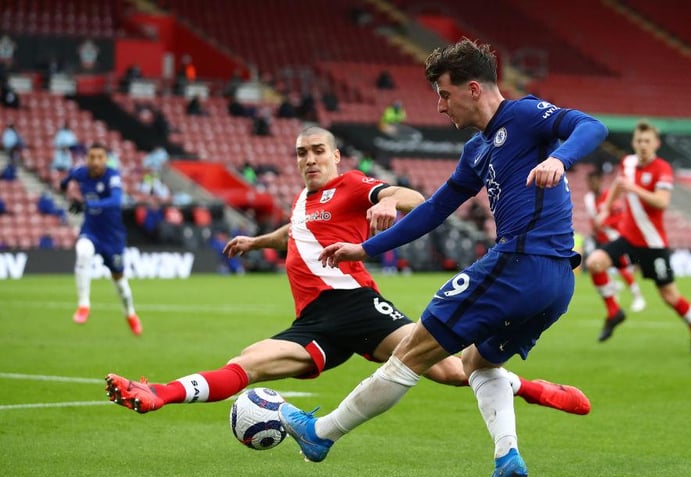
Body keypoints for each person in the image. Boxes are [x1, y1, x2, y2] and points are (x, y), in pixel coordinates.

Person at [278, 39, 608, 477]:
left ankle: (322, 433)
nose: (438, 106)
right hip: (556, 285)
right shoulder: (476, 150)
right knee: (477, 363)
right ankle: (506, 459)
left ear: (473, 89)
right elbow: (433, 210)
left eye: (444, 94)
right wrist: (365, 248)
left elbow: (592, 126)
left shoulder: (528, 115)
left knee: (414, 349)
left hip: (520, 263)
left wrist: (559, 158)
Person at [104, 126, 590, 421]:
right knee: (249, 361)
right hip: (314, 320)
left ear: (335, 156)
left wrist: (388, 206)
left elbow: (411, 198)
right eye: (301, 153)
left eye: (318, 150)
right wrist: (259, 241)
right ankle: (157, 395)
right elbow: (297, 232)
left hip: (357, 305)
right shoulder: (303, 202)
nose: (310, 159)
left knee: (450, 369)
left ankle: (535, 390)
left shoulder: (353, 184)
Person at [584, 120, 691, 353]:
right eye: (639, 140)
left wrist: (635, 189)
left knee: (670, 296)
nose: (642, 145)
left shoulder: (662, 169)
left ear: (656, 144)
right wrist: (605, 209)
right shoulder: (628, 163)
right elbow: (619, 186)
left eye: (647, 141)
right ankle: (614, 312)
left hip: (653, 244)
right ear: (633, 142)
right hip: (628, 238)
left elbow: (662, 202)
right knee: (594, 262)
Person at [59, 142, 142, 335]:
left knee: (120, 282)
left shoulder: (112, 176)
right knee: (83, 251)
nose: (96, 161)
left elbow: (115, 201)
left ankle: (130, 313)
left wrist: (86, 203)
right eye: (92, 157)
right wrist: (64, 186)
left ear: (106, 159)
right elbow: (68, 179)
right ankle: (83, 304)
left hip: (113, 237)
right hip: (92, 231)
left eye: (100, 157)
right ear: (87, 158)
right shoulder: (81, 172)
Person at [584, 166, 645, 312]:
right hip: (600, 239)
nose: (592, 184)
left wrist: (604, 222)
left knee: (623, 268)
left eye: (595, 181)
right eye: (589, 181)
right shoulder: (589, 199)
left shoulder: (608, 196)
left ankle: (638, 296)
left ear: (600, 181)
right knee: (597, 267)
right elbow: (593, 219)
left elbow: (619, 216)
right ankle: (612, 290)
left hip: (613, 238)